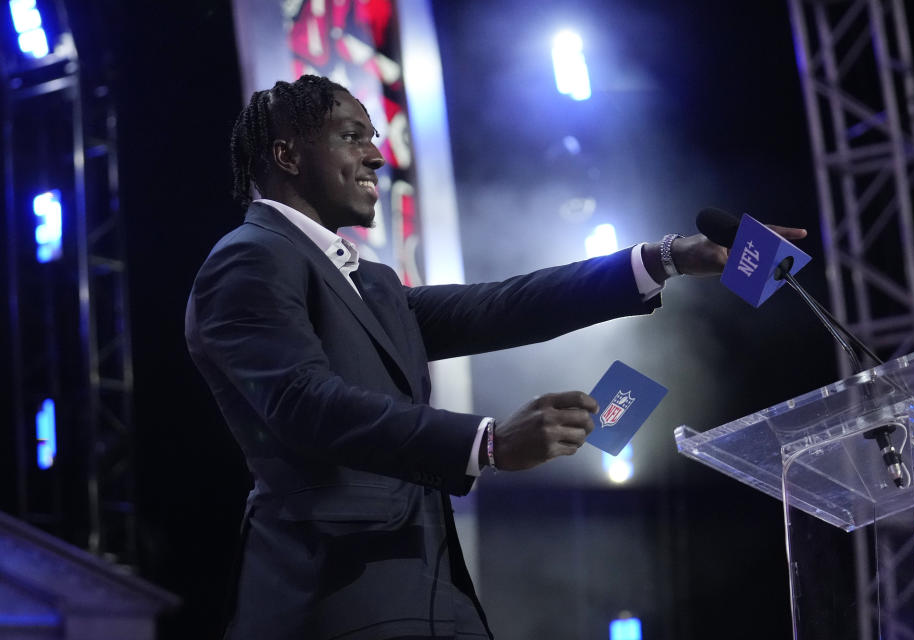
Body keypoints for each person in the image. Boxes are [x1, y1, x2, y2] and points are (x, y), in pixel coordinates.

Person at [184, 75, 806, 640]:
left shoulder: (365, 282)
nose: (376, 154)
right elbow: (301, 403)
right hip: (332, 594)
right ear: (288, 155)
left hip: (428, 592)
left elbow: (501, 306)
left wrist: (666, 257)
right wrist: (487, 443)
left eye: (373, 136)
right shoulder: (250, 257)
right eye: (352, 137)